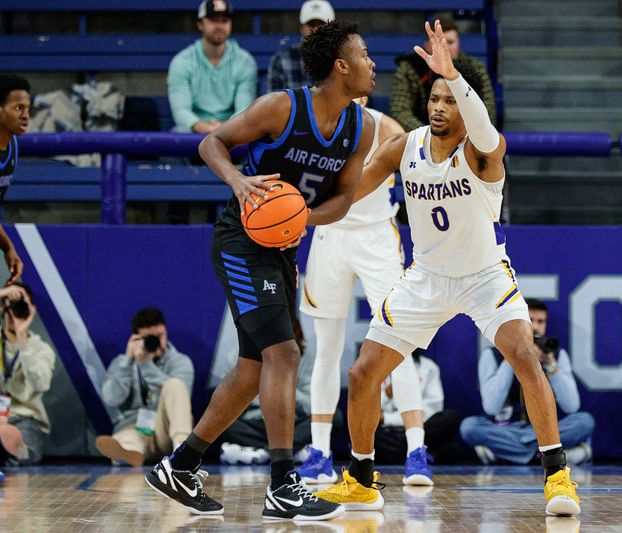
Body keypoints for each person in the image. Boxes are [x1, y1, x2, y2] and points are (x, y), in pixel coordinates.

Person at [314, 21, 580, 518]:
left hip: (485, 276)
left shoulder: (483, 153)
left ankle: (557, 475)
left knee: (525, 355)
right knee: (363, 372)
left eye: (450, 99)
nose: (439, 106)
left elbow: (483, 128)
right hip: (426, 279)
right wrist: (300, 214)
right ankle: (362, 481)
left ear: (466, 104)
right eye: (434, 97)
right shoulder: (404, 146)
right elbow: (348, 195)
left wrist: (454, 75)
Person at [145, 20, 376, 521]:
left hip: (281, 249)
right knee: (286, 354)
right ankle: (282, 484)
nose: (372, 63)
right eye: (364, 55)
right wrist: (238, 182)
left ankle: (180, 466)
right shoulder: (282, 107)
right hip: (240, 240)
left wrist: (302, 217)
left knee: (256, 367)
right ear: (340, 66)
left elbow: (342, 200)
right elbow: (211, 145)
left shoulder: (365, 126)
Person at [297, 95, 433, 487]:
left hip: (376, 236)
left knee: (397, 344)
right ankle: (319, 451)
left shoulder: (386, 128)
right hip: (330, 235)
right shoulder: (311, 127)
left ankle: (416, 450)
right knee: (326, 349)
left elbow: (421, 171)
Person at [460, 300, 594, 466]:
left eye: (541, 321)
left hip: (547, 428)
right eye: (530, 321)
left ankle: (507, 454)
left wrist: (550, 365)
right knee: (470, 426)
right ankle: (544, 455)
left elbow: (572, 406)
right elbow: (491, 407)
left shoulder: (557, 355)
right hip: (506, 429)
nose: (536, 327)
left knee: (585, 421)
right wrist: (513, 359)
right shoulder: (492, 355)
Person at [218, 315, 345, 465]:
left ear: (295, 335)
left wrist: (283, 387)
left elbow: (313, 404)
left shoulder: (308, 359)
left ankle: (263, 453)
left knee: (333, 415)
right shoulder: (239, 356)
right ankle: (293, 452)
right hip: (254, 422)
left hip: (292, 422)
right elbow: (231, 399)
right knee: (221, 417)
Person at [96, 308, 195, 467]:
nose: (156, 342)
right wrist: (129, 360)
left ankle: (182, 450)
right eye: (149, 338)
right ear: (136, 338)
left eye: (160, 336)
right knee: (128, 441)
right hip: (136, 428)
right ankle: (127, 454)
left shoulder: (180, 361)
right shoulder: (121, 363)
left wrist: (146, 365)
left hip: (166, 430)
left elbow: (182, 397)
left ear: (166, 332)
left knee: (175, 384)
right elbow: (111, 399)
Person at [167, 0, 257, 133]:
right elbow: (180, 110)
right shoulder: (182, 61)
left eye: (225, 20)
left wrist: (222, 130)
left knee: (248, 135)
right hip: (194, 131)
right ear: (200, 24)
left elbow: (243, 111)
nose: (220, 25)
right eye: (214, 20)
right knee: (179, 132)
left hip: (231, 131)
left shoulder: (245, 61)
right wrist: (204, 127)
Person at [391, 19, 496, 132]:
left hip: (466, 136)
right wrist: (427, 134)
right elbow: (400, 110)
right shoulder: (409, 68)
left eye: (450, 42)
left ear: (458, 45)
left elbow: (487, 109)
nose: (445, 48)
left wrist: (462, 135)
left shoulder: (475, 68)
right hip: (423, 134)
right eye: (439, 43)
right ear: (426, 46)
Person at [375, 349, 462, 466]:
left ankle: (405, 452)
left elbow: (432, 409)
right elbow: (367, 408)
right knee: (355, 420)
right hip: (388, 433)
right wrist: (386, 395)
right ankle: (415, 455)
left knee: (450, 418)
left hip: (419, 428)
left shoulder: (428, 367)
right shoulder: (374, 365)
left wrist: (387, 418)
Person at [0, 282, 55, 467]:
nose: (14, 314)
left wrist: (24, 345)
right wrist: (4, 294)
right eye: (11, 307)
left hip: (25, 418)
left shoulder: (41, 349)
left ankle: (9, 449)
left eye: (21, 307)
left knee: (25, 452)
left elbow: (40, 384)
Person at [265, 0, 335, 93]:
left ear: (332, 28)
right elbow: (272, 103)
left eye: (321, 24)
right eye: (311, 24)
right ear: (301, 28)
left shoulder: (342, 58)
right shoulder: (281, 60)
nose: (315, 29)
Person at [0, 74, 28, 282]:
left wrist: (8, 248)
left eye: (28, 109)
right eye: (19, 108)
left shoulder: (13, 146)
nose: (26, 115)